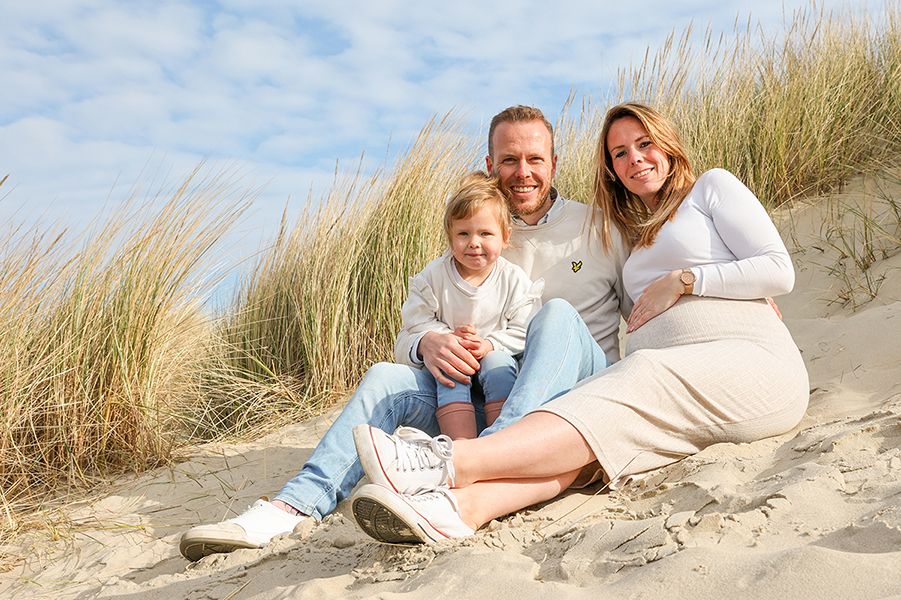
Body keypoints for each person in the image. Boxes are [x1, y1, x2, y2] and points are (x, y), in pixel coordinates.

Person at [178, 106, 629, 561]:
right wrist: (425, 342)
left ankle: (472, 466)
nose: (523, 172)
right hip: (481, 396)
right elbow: (413, 329)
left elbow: (644, 319)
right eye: (509, 160)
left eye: (535, 159)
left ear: (554, 163)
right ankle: (292, 505)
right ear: (490, 165)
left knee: (553, 314)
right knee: (383, 377)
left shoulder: (600, 225)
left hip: (569, 401)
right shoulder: (475, 231)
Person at [349, 102, 810, 544]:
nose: (635, 158)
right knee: (595, 447)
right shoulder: (632, 234)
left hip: (745, 363)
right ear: (610, 167)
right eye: (619, 153)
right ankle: (458, 509)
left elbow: (777, 268)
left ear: (669, 146)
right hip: (681, 383)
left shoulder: (711, 188)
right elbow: (636, 311)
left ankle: (449, 461)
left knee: (636, 373)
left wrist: (689, 280)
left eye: (644, 143)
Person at [400, 172, 541, 440]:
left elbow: (525, 328)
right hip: (453, 360)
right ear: (450, 236)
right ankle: (460, 446)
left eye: (485, 233)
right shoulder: (434, 277)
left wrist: (489, 344)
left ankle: (501, 439)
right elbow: (416, 321)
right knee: (451, 373)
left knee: (498, 364)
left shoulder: (512, 279)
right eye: (463, 233)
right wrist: (447, 337)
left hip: (496, 360)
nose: (474, 242)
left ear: (505, 237)